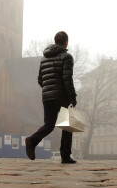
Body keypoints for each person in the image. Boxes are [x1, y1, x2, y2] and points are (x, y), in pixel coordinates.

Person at [25, 31, 78, 164]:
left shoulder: (44, 59)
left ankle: (32, 140)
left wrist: (48, 88)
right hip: (62, 96)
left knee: (49, 125)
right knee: (67, 125)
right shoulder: (67, 57)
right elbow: (67, 79)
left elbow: (40, 80)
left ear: (55, 42)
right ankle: (65, 156)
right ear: (66, 42)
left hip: (47, 97)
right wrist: (72, 97)